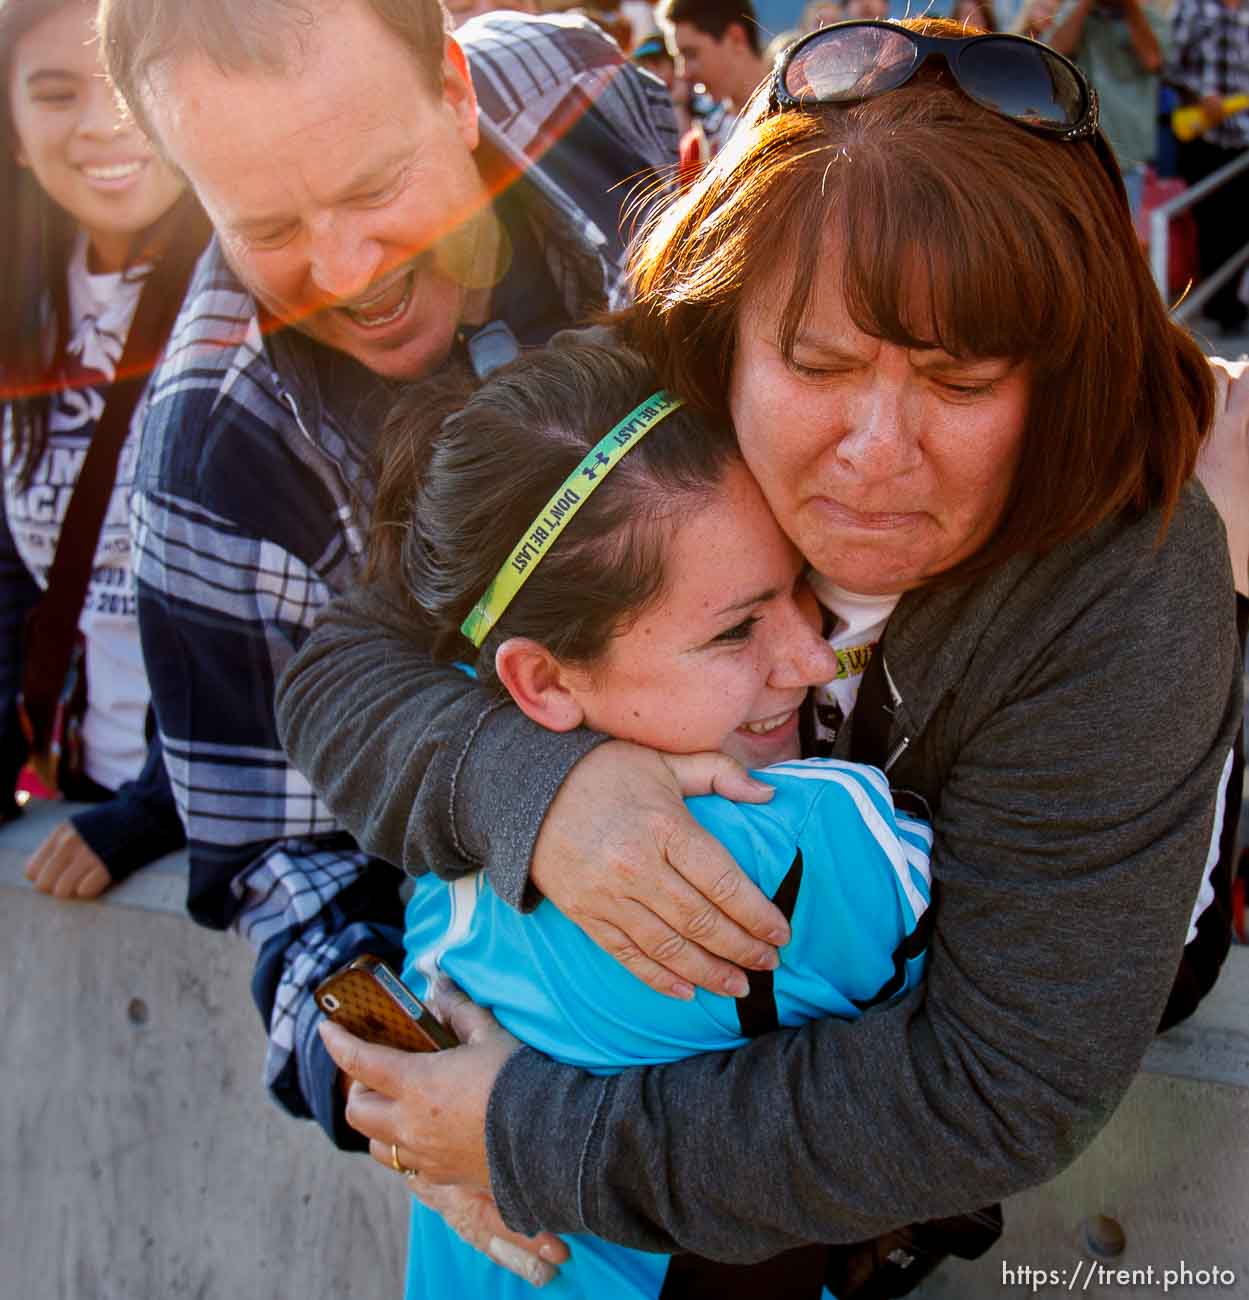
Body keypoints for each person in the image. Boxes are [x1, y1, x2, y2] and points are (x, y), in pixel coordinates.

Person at [276, 17, 1242, 1284]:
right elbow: (342, 667)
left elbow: (1000, 1085)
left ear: (1058, 378)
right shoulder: (645, 416)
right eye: (818, 362)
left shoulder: (1123, 582)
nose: (875, 449)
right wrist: (534, 791)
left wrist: (524, 1137)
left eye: (958, 382)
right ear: (721, 329)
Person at [94, 0, 677, 1158]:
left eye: (373, 189)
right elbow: (285, 877)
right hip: (550, 1007)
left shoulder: (586, 93)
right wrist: (437, 1106)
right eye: (265, 227)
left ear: (454, 90)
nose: (347, 273)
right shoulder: (213, 466)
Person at [322, 339, 936, 1297]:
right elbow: (1020, 1003)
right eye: (736, 629)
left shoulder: (441, 849)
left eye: (800, 589)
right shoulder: (802, 839)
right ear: (542, 680)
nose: (812, 660)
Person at [0, 0, 205, 898]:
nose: (102, 121)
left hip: (231, 826)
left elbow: (307, 608)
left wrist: (160, 805)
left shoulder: (259, 289)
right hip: (82, 793)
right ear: (12, 131)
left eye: (128, 83)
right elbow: (17, 573)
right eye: (54, 93)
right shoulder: (25, 315)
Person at [1016, 0, 1167, 193]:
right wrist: (1085, 5)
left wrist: (1130, 7)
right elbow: (1052, 53)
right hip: (1078, 153)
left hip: (1129, 157)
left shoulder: (1150, 16)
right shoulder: (1074, 13)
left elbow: (1153, 60)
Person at [1167, 0, 1249, 334]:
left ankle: (1229, 303)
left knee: (1241, 223)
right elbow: (1170, 65)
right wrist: (1201, 96)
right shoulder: (1193, 7)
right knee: (1212, 222)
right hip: (1203, 134)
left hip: (1244, 136)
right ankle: (1220, 309)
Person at [660, 0, 769, 179]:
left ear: (736, 39)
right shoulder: (696, 149)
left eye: (691, 54)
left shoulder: (806, 124)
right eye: (678, 58)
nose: (683, 72)